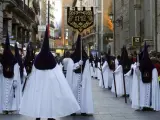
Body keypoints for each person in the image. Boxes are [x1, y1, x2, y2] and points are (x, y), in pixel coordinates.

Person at [19, 27, 80, 120]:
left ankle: (38, 116)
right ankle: (50, 116)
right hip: (50, 85)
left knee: (38, 100)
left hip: (39, 85)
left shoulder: (38, 57)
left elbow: (34, 71)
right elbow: (57, 72)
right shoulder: (51, 57)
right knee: (50, 100)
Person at [66, 35, 94, 115]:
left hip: (83, 77)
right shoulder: (72, 57)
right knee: (74, 91)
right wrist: (78, 64)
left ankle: (83, 110)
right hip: (74, 77)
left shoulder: (85, 57)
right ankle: (73, 109)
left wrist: (84, 75)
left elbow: (87, 69)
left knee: (83, 93)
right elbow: (71, 67)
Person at [131, 42, 160, 111]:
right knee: (147, 94)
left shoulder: (141, 65)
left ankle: (144, 105)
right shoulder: (151, 66)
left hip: (143, 83)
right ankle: (148, 105)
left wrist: (135, 67)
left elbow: (137, 73)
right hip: (148, 82)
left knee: (144, 95)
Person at [1, 32, 20, 114]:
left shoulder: (14, 61)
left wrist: (15, 80)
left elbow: (16, 70)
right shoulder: (3, 60)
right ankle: (4, 108)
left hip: (11, 79)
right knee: (4, 94)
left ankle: (9, 108)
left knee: (10, 95)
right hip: (4, 80)